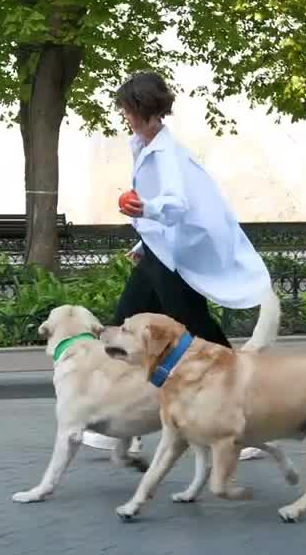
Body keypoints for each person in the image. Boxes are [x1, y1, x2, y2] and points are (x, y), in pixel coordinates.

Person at [84, 71, 272, 461]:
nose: (125, 117)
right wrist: (143, 239)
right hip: (162, 252)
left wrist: (144, 209)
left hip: (175, 257)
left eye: (129, 109)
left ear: (145, 109)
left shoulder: (166, 152)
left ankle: (248, 422)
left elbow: (177, 203)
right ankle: (117, 427)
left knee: (196, 333)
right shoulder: (144, 143)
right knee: (123, 330)